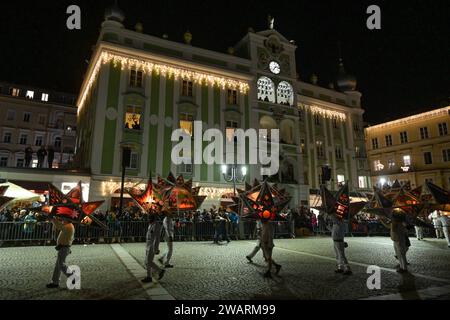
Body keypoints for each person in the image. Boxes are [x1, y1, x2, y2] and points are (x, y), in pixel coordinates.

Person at [46, 217, 75, 288]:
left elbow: (59, 226)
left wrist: (53, 219)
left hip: (64, 248)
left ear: (67, 220)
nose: (62, 220)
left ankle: (71, 276)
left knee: (61, 265)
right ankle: (55, 282)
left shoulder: (68, 226)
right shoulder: (68, 225)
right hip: (63, 247)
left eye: (63, 219)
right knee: (58, 266)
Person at [142, 214, 165, 283]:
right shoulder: (151, 224)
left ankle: (158, 272)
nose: (148, 219)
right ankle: (151, 274)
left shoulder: (157, 225)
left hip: (152, 245)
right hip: (148, 244)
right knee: (146, 262)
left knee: (148, 261)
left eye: (150, 218)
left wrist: (156, 248)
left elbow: (157, 238)